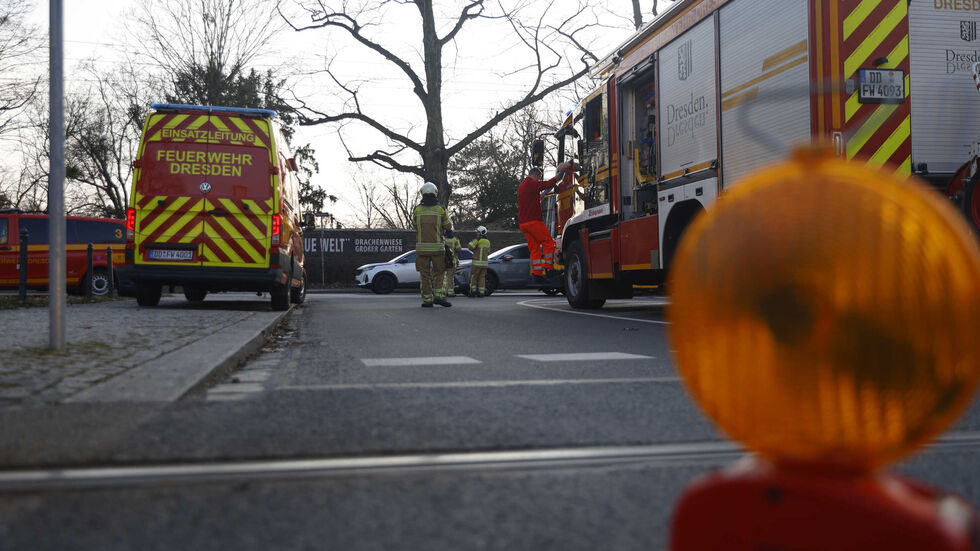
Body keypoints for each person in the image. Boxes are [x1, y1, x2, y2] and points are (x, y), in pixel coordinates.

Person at [412, 182, 452, 307]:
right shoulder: (440, 209)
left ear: (422, 193)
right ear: (435, 192)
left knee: (424, 275)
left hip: (422, 249)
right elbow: (448, 226)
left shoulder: (417, 210)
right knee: (439, 272)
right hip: (437, 249)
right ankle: (439, 296)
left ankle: (427, 300)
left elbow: (414, 226)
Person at [517, 166, 562, 279]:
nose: (539, 180)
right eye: (539, 178)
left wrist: (540, 197)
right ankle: (549, 268)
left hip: (524, 223)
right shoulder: (531, 183)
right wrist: (557, 177)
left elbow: (530, 200)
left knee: (534, 247)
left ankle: (537, 273)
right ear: (536, 175)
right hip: (534, 221)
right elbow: (546, 185)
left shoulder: (522, 186)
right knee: (548, 242)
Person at [467, 226, 491, 297]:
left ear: (480, 233)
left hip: (476, 263)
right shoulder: (488, 241)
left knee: (473, 277)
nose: (476, 233)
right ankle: (481, 292)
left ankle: (473, 292)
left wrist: (474, 241)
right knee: (482, 278)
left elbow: (470, 247)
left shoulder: (478, 240)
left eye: (477, 232)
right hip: (484, 264)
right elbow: (488, 252)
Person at [443, 228, 461, 297]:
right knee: (450, 277)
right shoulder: (455, 239)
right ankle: (450, 292)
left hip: (443, 261)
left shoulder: (442, 239)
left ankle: (443, 291)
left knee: (443, 277)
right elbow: (459, 249)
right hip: (452, 261)